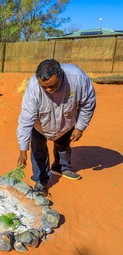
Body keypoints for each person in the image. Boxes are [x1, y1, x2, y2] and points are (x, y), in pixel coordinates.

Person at [16, 59, 96, 195]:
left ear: (60, 75)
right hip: (40, 125)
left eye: (52, 86)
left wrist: (80, 127)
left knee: (63, 145)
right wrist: (23, 149)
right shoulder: (33, 87)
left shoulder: (78, 79)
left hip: (66, 121)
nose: (48, 90)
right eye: (44, 87)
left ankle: (61, 167)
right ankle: (40, 180)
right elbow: (25, 119)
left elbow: (88, 103)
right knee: (38, 151)